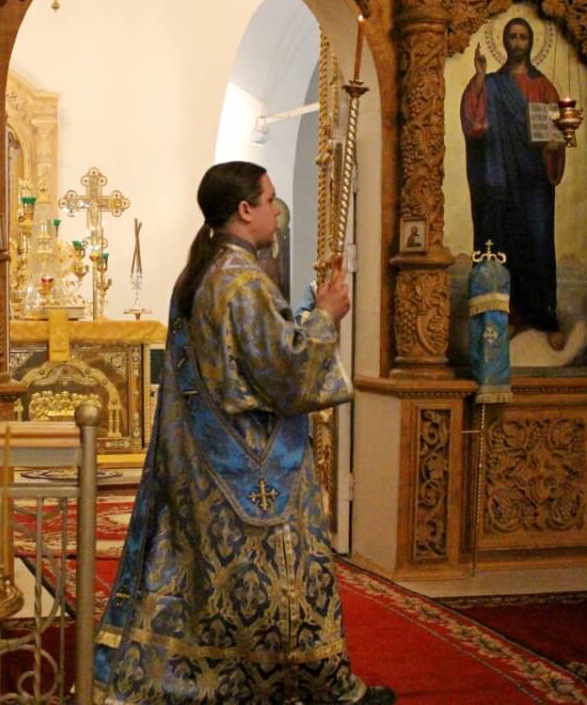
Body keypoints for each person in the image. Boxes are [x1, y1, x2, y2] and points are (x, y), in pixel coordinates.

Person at [93, 161, 395, 704]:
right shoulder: (243, 281)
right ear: (245, 209)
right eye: (270, 199)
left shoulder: (201, 275)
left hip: (203, 461)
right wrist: (326, 316)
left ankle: (199, 681)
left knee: (206, 583)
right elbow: (286, 372)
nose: (277, 211)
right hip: (253, 469)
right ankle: (311, 684)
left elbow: (246, 361)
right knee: (282, 581)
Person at [461, 17, 566, 350]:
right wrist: (480, 76)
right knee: (504, 240)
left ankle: (544, 317)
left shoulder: (543, 87)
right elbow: (474, 124)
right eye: (512, 37)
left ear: (531, 43)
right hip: (501, 180)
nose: (518, 43)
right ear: (504, 42)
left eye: (523, 37)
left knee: (537, 241)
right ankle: (508, 316)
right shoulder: (491, 84)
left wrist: (555, 143)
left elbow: (557, 131)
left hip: (534, 181)